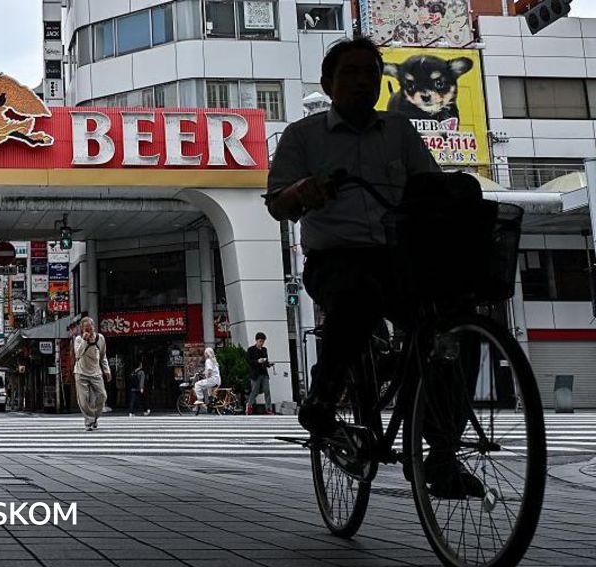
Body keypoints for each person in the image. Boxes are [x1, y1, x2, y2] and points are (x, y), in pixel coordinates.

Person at [266, 38, 481, 497]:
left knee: (457, 323)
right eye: (350, 73)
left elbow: (429, 185)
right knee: (357, 297)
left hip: (400, 257)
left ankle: (441, 451)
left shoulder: (399, 130)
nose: (362, 81)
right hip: (335, 258)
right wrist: (303, 191)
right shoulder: (302, 136)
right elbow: (277, 204)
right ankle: (322, 400)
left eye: (370, 72)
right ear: (328, 84)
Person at [73, 317, 110, 431]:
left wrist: (107, 370)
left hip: (96, 373)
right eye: (86, 328)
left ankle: (94, 417)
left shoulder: (100, 338)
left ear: (94, 327)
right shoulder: (79, 339)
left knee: (102, 396)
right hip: (81, 372)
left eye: (91, 327)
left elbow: (103, 356)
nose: (89, 330)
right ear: (82, 329)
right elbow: (77, 355)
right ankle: (89, 421)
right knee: (83, 400)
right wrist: (84, 340)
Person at [246, 333, 273, 415]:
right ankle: (249, 406)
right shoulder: (251, 349)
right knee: (255, 391)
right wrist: (257, 361)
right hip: (255, 373)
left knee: (267, 390)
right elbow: (249, 361)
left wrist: (269, 364)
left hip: (264, 373)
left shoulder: (264, 349)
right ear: (256, 340)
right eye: (260, 341)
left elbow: (266, 361)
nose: (261, 343)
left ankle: (268, 408)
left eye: (263, 341)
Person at [192, 348, 221, 413]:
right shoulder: (214, 360)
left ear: (207, 354)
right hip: (217, 380)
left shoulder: (208, 360)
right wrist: (204, 373)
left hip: (212, 380)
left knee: (197, 384)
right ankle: (210, 404)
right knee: (207, 389)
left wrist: (207, 376)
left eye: (205, 353)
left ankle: (200, 400)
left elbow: (209, 370)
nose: (204, 355)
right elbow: (210, 370)